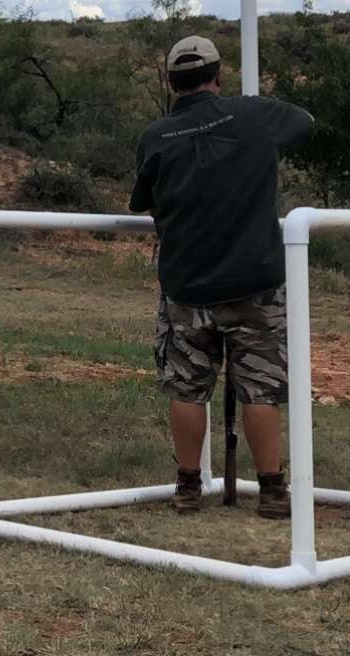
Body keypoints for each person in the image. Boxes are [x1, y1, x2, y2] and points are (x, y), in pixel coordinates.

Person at [129, 35, 313, 519]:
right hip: (255, 282)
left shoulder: (156, 137)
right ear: (219, 75)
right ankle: (272, 490)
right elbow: (304, 122)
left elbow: (143, 201)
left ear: (170, 83)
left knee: (186, 388)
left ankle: (187, 487)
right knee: (261, 387)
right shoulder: (254, 116)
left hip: (188, 287)